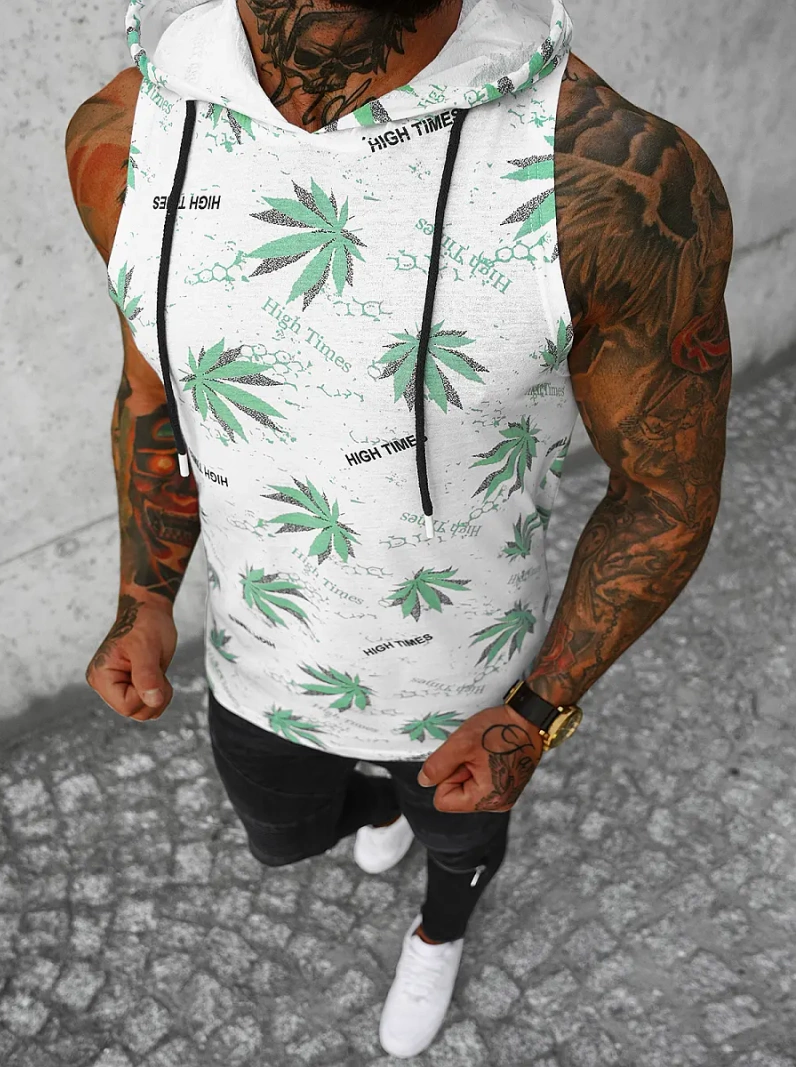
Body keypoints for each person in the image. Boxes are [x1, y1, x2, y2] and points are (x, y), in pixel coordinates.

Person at [66, 0, 733, 1055]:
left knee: (461, 846)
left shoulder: (612, 180)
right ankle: (375, 809)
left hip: (475, 688)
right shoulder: (127, 133)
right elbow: (154, 393)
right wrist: (144, 596)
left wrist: (538, 712)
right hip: (260, 663)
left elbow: (665, 489)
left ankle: (438, 929)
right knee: (282, 836)